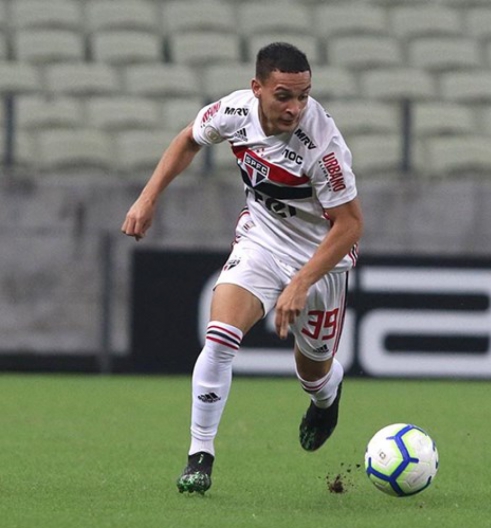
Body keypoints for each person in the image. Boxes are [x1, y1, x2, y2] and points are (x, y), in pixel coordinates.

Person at [121, 42, 364, 495]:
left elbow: (350, 226)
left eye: (304, 96)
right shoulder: (234, 112)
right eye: (284, 96)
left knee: (312, 371)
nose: (295, 108)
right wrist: (148, 196)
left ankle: (327, 397)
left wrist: (301, 283)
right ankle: (200, 455)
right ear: (257, 89)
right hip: (262, 241)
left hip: (320, 261)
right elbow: (188, 138)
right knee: (220, 336)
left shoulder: (324, 147)